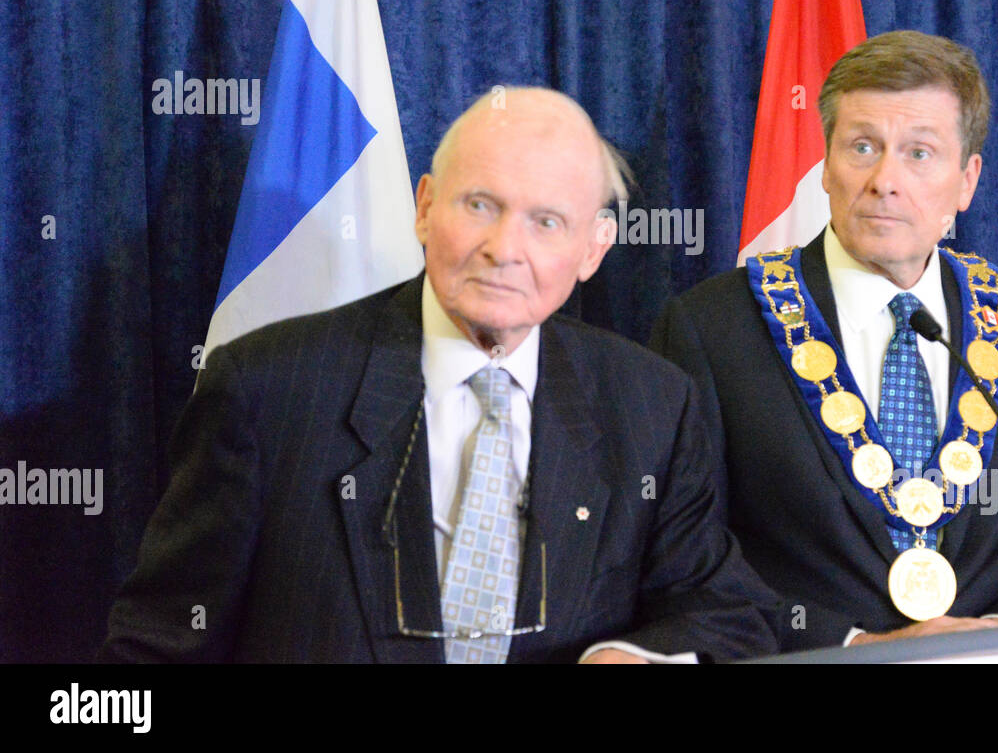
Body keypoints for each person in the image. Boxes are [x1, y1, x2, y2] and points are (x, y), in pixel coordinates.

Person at [100, 86, 779, 663]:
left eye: (546, 221)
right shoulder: (265, 390)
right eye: (480, 204)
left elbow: (724, 612)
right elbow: (157, 646)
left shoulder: (652, 403)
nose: (504, 248)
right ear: (424, 206)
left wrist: (633, 656)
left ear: (593, 248)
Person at [652, 31, 998, 652]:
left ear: (967, 180)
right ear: (825, 165)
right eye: (862, 147)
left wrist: (997, 638)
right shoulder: (711, 329)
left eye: (920, 153)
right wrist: (849, 645)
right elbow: (685, 557)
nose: (885, 179)